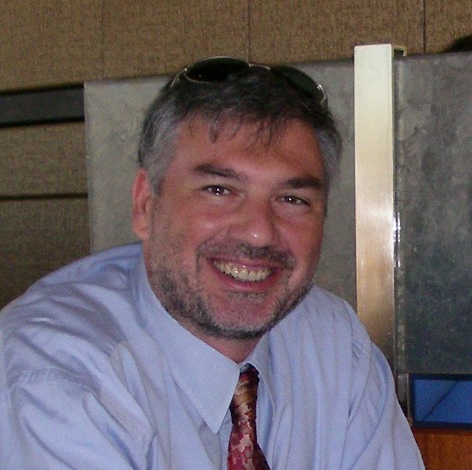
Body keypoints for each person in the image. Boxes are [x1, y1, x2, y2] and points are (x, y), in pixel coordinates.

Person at [0, 57, 424, 469]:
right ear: (146, 205)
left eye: (292, 199)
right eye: (219, 190)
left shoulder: (335, 343)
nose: (259, 232)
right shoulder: (57, 373)